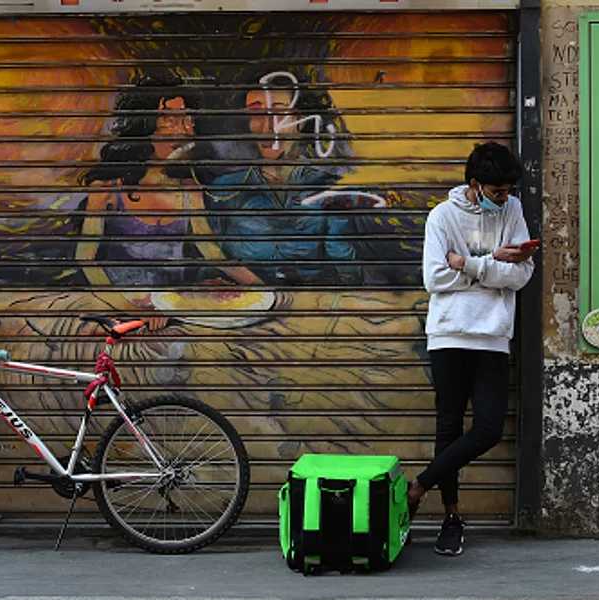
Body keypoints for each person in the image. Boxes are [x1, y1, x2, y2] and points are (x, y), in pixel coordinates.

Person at [408, 141, 537, 556]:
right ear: (476, 184)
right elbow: (434, 279)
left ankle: (418, 486)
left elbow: (521, 275)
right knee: (448, 428)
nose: (504, 198)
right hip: (449, 334)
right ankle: (451, 517)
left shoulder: (512, 210)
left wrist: (469, 263)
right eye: (497, 191)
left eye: (508, 191)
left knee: (488, 428)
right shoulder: (442, 216)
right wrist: (492, 263)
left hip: (493, 336)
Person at [77, 74, 261, 295]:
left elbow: (210, 249)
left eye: (186, 119)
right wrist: (124, 305)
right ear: (143, 124)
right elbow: (86, 258)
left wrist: (259, 285)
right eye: (168, 118)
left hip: (172, 304)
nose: (181, 131)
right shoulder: (107, 187)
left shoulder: (188, 187)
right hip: (124, 306)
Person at [207, 71, 383, 286]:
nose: (269, 127)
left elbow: (347, 271)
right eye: (257, 113)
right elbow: (210, 264)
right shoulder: (224, 190)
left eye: (280, 113)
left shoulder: (328, 189)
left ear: (301, 119)